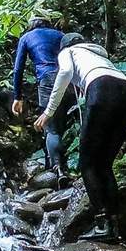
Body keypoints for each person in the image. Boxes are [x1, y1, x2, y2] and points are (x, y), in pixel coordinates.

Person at [34, 33, 126, 242]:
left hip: (101, 90)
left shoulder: (69, 51)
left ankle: (102, 224)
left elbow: (64, 72)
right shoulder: (99, 57)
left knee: (87, 164)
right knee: (104, 164)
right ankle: (115, 224)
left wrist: (49, 111)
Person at [11, 17, 74, 182]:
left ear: (31, 26)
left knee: (52, 129)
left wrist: (18, 97)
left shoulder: (27, 37)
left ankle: (59, 170)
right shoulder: (60, 34)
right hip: (71, 79)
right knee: (73, 121)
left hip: (47, 79)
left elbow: (18, 69)